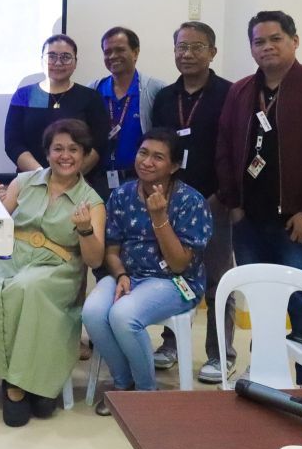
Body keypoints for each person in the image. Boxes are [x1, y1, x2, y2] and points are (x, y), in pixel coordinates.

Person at [216, 10, 302, 385]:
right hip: (250, 222)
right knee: (262, 303)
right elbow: (224, 149)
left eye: (276, 39)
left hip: (298, 223)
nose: (267, 47)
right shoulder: (241, 91)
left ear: (294, 40)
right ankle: (265, 378)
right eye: (259, 41)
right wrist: (234, 203)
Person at [0, 118, 104, 427]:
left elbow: (94, 260)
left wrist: (84, 230)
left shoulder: (92, 201)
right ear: (47, 152)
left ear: (84, 155)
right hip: (12, 258)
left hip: (57, 269)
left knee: (29, 288)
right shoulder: (24, 181)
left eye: (73, 149)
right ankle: (18, 380)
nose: (65, 156)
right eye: (58, 149)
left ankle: (21, 384)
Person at [82, 129, 213, 415]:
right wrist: (120, 275)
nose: (147, 162)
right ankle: (124, 384)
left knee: (123, 315)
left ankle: (146, 392)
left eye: (158, 157)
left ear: (175, 166)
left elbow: (179, 263)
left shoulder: (192, 202)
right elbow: (112, 250)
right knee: (92, 312)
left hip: (176, 282)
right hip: (128, 274)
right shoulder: (122, 194)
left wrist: (159, 217)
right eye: (143, 153)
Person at [150, 21, 236, 383]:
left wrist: (223, 197)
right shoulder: (166, 97)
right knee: (174, 272)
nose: (187, 54)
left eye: (197, 47)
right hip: (174, 201)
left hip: (216, 200)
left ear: (212, 52)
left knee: (218, 278)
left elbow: (235, 151)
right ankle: (171, 342)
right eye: (181, 47)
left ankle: (221, 353)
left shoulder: (230, 94)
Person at [4, 34, 109, 193]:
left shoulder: (90, 97)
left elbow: (99, 144)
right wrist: (42, 176)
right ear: (42, 60)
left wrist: (69, 176)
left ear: (75, 63)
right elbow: (13, 143)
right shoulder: (26, 95)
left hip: (77, 185)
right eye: (51, 56)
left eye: (66, 57)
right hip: (31, 183)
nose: (58, 62)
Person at [90, 27, 166, 196]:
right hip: (97, 181)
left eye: (120, 50)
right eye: (107, 52)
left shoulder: (155, 89)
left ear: (135, 52)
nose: (112, 56)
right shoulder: (93, 90)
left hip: (140, 181)